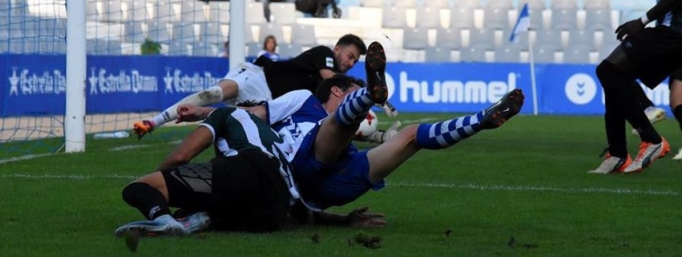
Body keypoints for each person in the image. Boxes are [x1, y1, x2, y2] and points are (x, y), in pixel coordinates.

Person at [177, 41, 525, 212]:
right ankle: (370, 97)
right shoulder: (302, 100)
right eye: (358, 92)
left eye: (368, 94)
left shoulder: (339, 126)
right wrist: (204, 113)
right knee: (334, 127)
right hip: (298, 167)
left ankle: (481, 120)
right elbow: (247, 116)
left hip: (332, 189)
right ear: (338, 90)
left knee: (409, 137)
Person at [590, 0, 680, 174]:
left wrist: (641, 21)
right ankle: (617, 153)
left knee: (607, 70)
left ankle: (651, 139)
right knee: (617, 75)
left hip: (674, 31)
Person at [132, 34, 367, 137]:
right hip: (259, 76)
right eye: (350, 55)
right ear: (337, 49)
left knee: (231, 125)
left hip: (266, 103)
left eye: (355, 60)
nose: (351, 62)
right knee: (215, 93)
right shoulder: (325, 56)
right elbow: (332, 78)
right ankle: (153, 122)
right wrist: (362, 93)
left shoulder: (324, 93)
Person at [114, 107, 297, 238]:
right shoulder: (273, 136)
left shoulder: (226, 112)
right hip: (274, 213)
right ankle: (198, 218)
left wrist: (157, 184)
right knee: (187, 210)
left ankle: (163, 220)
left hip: (246, 170)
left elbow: (181, 156)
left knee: (138, 188)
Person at [625, 0, 682, 160]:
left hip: (673, 34)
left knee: (616, 69)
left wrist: (642, 20)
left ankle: (648, 109)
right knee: (677, 99)